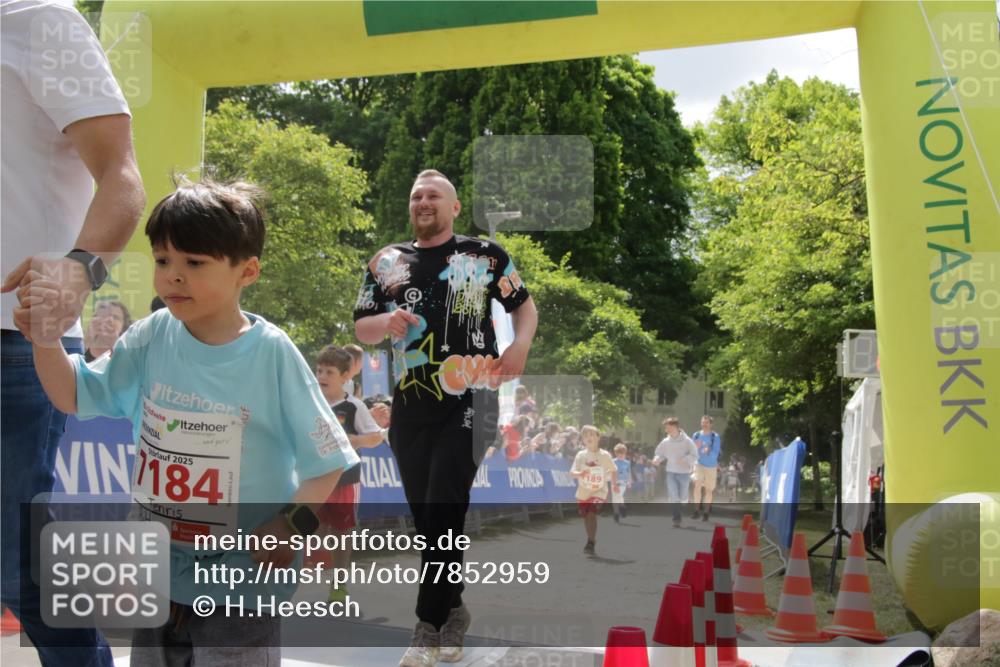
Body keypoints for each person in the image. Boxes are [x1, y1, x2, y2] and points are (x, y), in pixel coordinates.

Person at [24, 180, 358, 664]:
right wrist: (44, 337)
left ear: (248, 271)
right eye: (163, 261)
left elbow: (328, 461)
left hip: (242, 582)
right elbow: (73, 394)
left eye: (194, 263)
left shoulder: (271, 354)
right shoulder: (152, 336)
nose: (173, 277)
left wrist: (291, 524)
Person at [1, 2, 146, 664]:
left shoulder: (38, 18)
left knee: (17, 567)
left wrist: (80, 269)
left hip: (13, 343)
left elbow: (121, 175)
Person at [354, 169, 537, 666]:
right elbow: (363, 328)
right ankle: (453, 610)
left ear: (455, 207)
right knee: (427, 519)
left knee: (444, 507)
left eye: (434, 195)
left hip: (471, 399)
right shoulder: (387, 261)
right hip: (411, 405)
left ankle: (427, 627)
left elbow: (524, 308)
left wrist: (519, 346)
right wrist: (385, 321)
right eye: (416, 195)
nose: (423, 201)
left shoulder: (484, 255)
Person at [314, 345, 386, 604]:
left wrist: (354, 441)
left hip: (345, 478)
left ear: (345, 376)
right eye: (319, 370)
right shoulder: (309, 401)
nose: (321, 376)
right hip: (313, 478)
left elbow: (376, 437)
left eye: (329, 372)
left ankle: (339, 585)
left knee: (341, 533)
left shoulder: (354, 406)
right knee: (309, 526)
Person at [570, 425, 617, 554]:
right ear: (583, 440)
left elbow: (613, 470)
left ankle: (590, 542)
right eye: (585, 436)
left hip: (599, 491)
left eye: (591, 434)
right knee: (586, 517)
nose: (588, 438)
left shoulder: (605, 455)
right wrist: (580, 474)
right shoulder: (581, 455)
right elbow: (572, 472)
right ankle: (591, 539)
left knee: (591, 513)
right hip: (584, 492)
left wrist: (614, 484)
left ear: (598, 437)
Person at [651, 417, 698, 527]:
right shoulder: (665, 442)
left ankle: (684, 499)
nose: (666, 430)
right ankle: (676, 519)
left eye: (668, 427)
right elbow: (659, 453)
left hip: (684, 473)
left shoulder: (687, 441)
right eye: (666, 428)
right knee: (673, 496)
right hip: (671, 472)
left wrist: (685, 460)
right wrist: (657, 459)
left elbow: (695, 456)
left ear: (675, 427)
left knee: (682, 497)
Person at [691, 415, 722, 521]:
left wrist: (709, 452)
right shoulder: (696, 435)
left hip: (711, 466)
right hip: (699, 464)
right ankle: (696, 511)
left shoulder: (715, 436)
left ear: (711, 424)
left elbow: (716, 452)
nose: (704, 424)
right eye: (703, 422)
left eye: (707, 422)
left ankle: (706, 512)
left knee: (709, 490)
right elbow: (692, 450)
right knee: (697, 484)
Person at [611, 443, 631, 523]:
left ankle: (621, 508)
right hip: (615, 481)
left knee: (619, 496)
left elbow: (629, 472)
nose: (621, 456)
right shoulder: (613, 462)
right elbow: (611, 471)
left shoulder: (627, 463)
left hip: (623, 482)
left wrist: (629, 481)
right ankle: (617, 513)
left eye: (623, 454)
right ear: (616, 454)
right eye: (619, 454)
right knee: (615, 498)